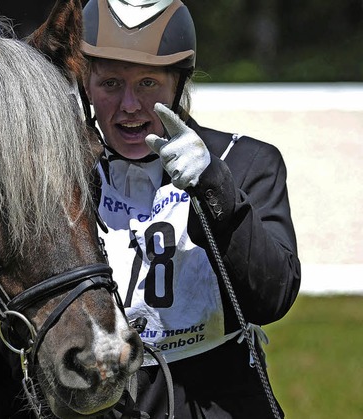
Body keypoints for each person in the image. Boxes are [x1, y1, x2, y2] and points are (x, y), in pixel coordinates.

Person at [81, 0, 302, 417]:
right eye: (110, 83)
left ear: (179, 84)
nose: (129, 105)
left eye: (148, 83)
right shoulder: (61, 175)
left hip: (212, 401)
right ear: (85, 85)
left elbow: (272, 298)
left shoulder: (247, 161)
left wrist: (214, 186)